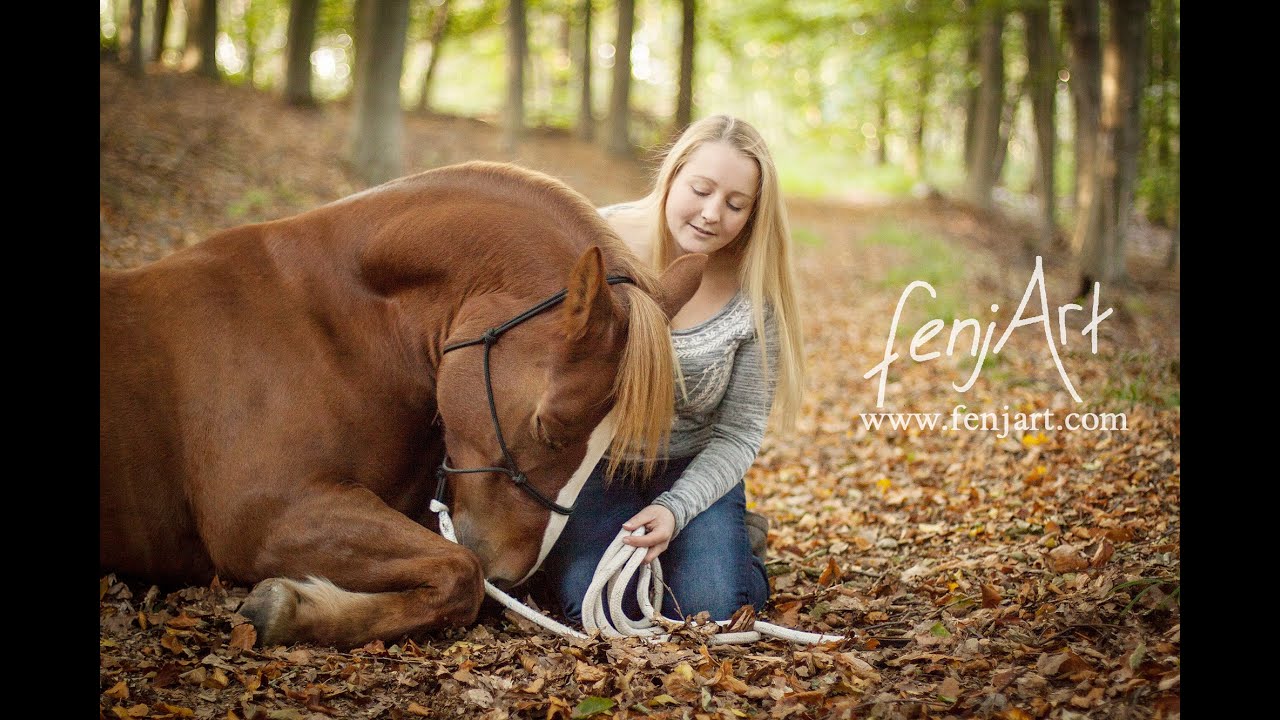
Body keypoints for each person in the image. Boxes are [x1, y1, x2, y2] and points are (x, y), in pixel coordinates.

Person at [531, 114, 806, 624]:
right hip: (592, 466)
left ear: (754, 213)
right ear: (673, 175)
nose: (711, 214)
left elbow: (739, 433)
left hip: (692, 467)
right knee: (608, 610)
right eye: (700, 189)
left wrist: (676, 509)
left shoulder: (754, 293)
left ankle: (738, 543)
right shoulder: (597, 241)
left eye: (735, 204)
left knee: (711, 610)